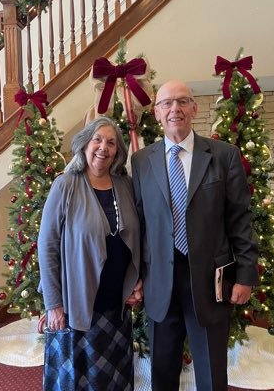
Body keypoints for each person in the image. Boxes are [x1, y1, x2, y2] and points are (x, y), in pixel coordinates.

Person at [131, 80, 259, 391]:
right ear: (157, 113)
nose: (174, 108)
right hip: (160, 278)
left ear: (194, 108)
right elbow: (138, 225)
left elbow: (240, 219)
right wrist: (134, 277)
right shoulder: (141, 161)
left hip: (209, 278)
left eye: (182, 101)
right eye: (167, 104)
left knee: (211, 368)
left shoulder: (224, 155)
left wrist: (245, 276)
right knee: (161, 366)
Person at [38, 117, 142, 391]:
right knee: (77, 382)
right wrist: (53, 304)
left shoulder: (125, 185)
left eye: (111, 143)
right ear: (84, 144)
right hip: (77, 308)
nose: (103, 148)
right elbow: (47, 246)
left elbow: (139, 235)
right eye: (97, 139)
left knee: (114, 381)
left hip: (117, 307)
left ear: (118, 152)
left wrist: (137, 280)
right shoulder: (65, 185)